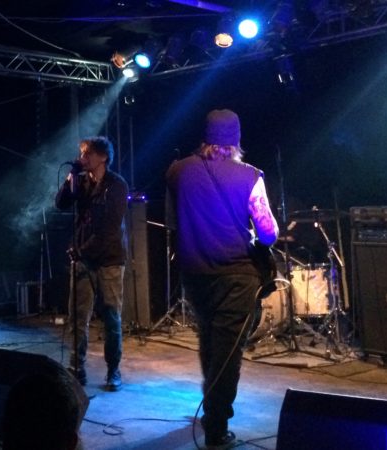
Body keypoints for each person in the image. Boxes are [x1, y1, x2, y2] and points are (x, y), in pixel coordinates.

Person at [165, 109, 279, 449]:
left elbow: (173, 224)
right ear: (236, 140)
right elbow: (268, 233)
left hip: (195, 274)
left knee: (209, 342)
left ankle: (211, 410)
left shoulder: (177, 172)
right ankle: (217, 429)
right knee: (228, 353)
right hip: (236, 277)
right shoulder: (249, 175)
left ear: (205, 137)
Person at [55, 136, 128, 391]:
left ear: (103, 157)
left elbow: (108, 229)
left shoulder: (116, 185)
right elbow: (61, 203)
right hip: (82, 258)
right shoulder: (81, 182)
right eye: (81, 153)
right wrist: (71, 178)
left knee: (111, 317)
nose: (82, 158)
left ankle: (113, 370)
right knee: (77, 316)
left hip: (109, 260)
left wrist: (81, 250)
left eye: (88, 154)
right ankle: (76, 367)